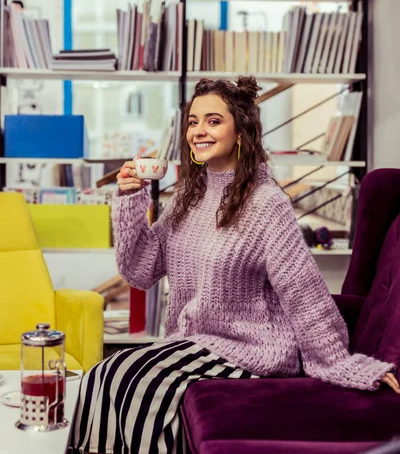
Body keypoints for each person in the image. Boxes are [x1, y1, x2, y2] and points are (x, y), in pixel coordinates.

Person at [69, 76, 399, 454]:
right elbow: (140, 270)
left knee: (131, 378)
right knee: (101, 375)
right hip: (194, 343)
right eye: (193, 122)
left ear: (240, 129)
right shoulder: (188, 198)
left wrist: (342, 364)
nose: (199, 131)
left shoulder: (265, 204)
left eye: (213, 121)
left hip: (251, 348)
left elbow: (304, 293)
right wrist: (129, 199)